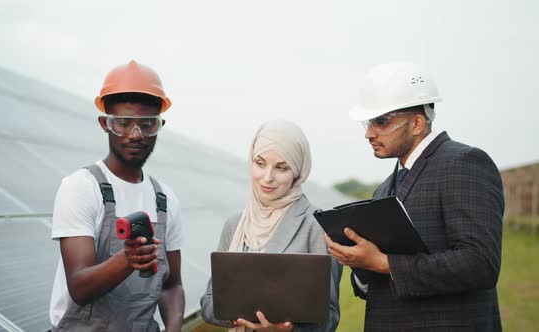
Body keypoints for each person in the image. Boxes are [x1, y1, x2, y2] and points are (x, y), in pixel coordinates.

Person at [325, 62, 504, 331]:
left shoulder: (465, 163)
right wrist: (360, 262)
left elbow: (480, 263)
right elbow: (373, 282)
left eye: (382, 121)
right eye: (368, 121)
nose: (369, 133)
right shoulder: (384, 188)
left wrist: (384, 263)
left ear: (417, 122)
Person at [49, 60, 185, 331]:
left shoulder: (166, 200)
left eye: (148, 124)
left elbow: (172, 286)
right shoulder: (81, 187)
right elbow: (79, 286)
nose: (136, 135)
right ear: (105, 123)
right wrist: (127, 260)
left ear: (160, 125)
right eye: (123, 123)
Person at [200, 120, 341, 332]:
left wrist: (287, 330)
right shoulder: (235, 225)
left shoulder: (317, 225)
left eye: (281, 167)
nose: (267, 177)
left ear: (298, 171)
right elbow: (209, 304)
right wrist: (241, 317)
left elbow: (329, 316)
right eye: (260, 163)